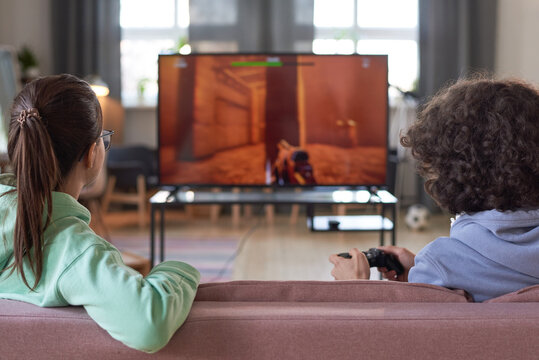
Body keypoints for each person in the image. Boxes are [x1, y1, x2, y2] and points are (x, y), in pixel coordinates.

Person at [0, 74, 200, 352]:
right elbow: (148, 323)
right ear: (92, 154)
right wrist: (179, 271)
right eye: (104, 138)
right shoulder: (75, 250)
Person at [329, 77, 539, 302]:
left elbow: (406, 333)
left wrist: (354, 288)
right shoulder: (439, 266)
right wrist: (424, 274)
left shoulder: (441, 263)